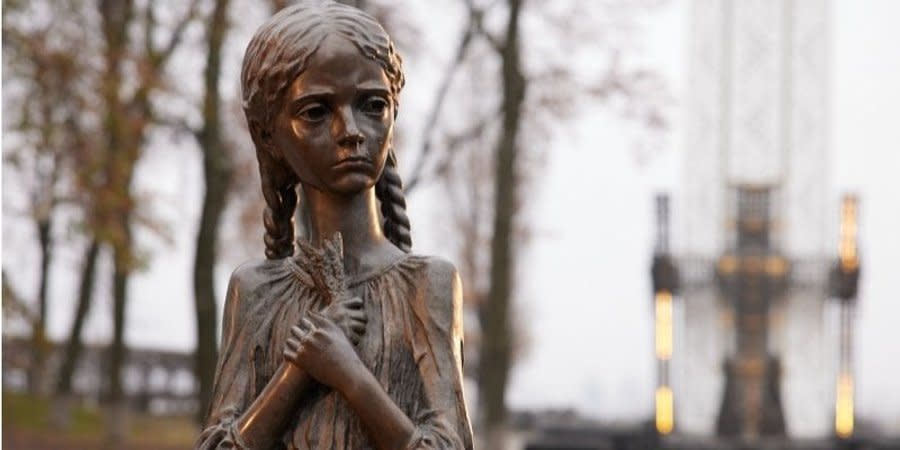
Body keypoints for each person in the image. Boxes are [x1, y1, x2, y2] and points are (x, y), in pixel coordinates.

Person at [195, 1, 473, 449]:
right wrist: (298, 370)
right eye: (317, 112)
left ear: (393, 113)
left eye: (372, 105)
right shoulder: (256, 291)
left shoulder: (427, 285)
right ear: (269, 136)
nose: (351, 130)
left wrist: (349, 375)